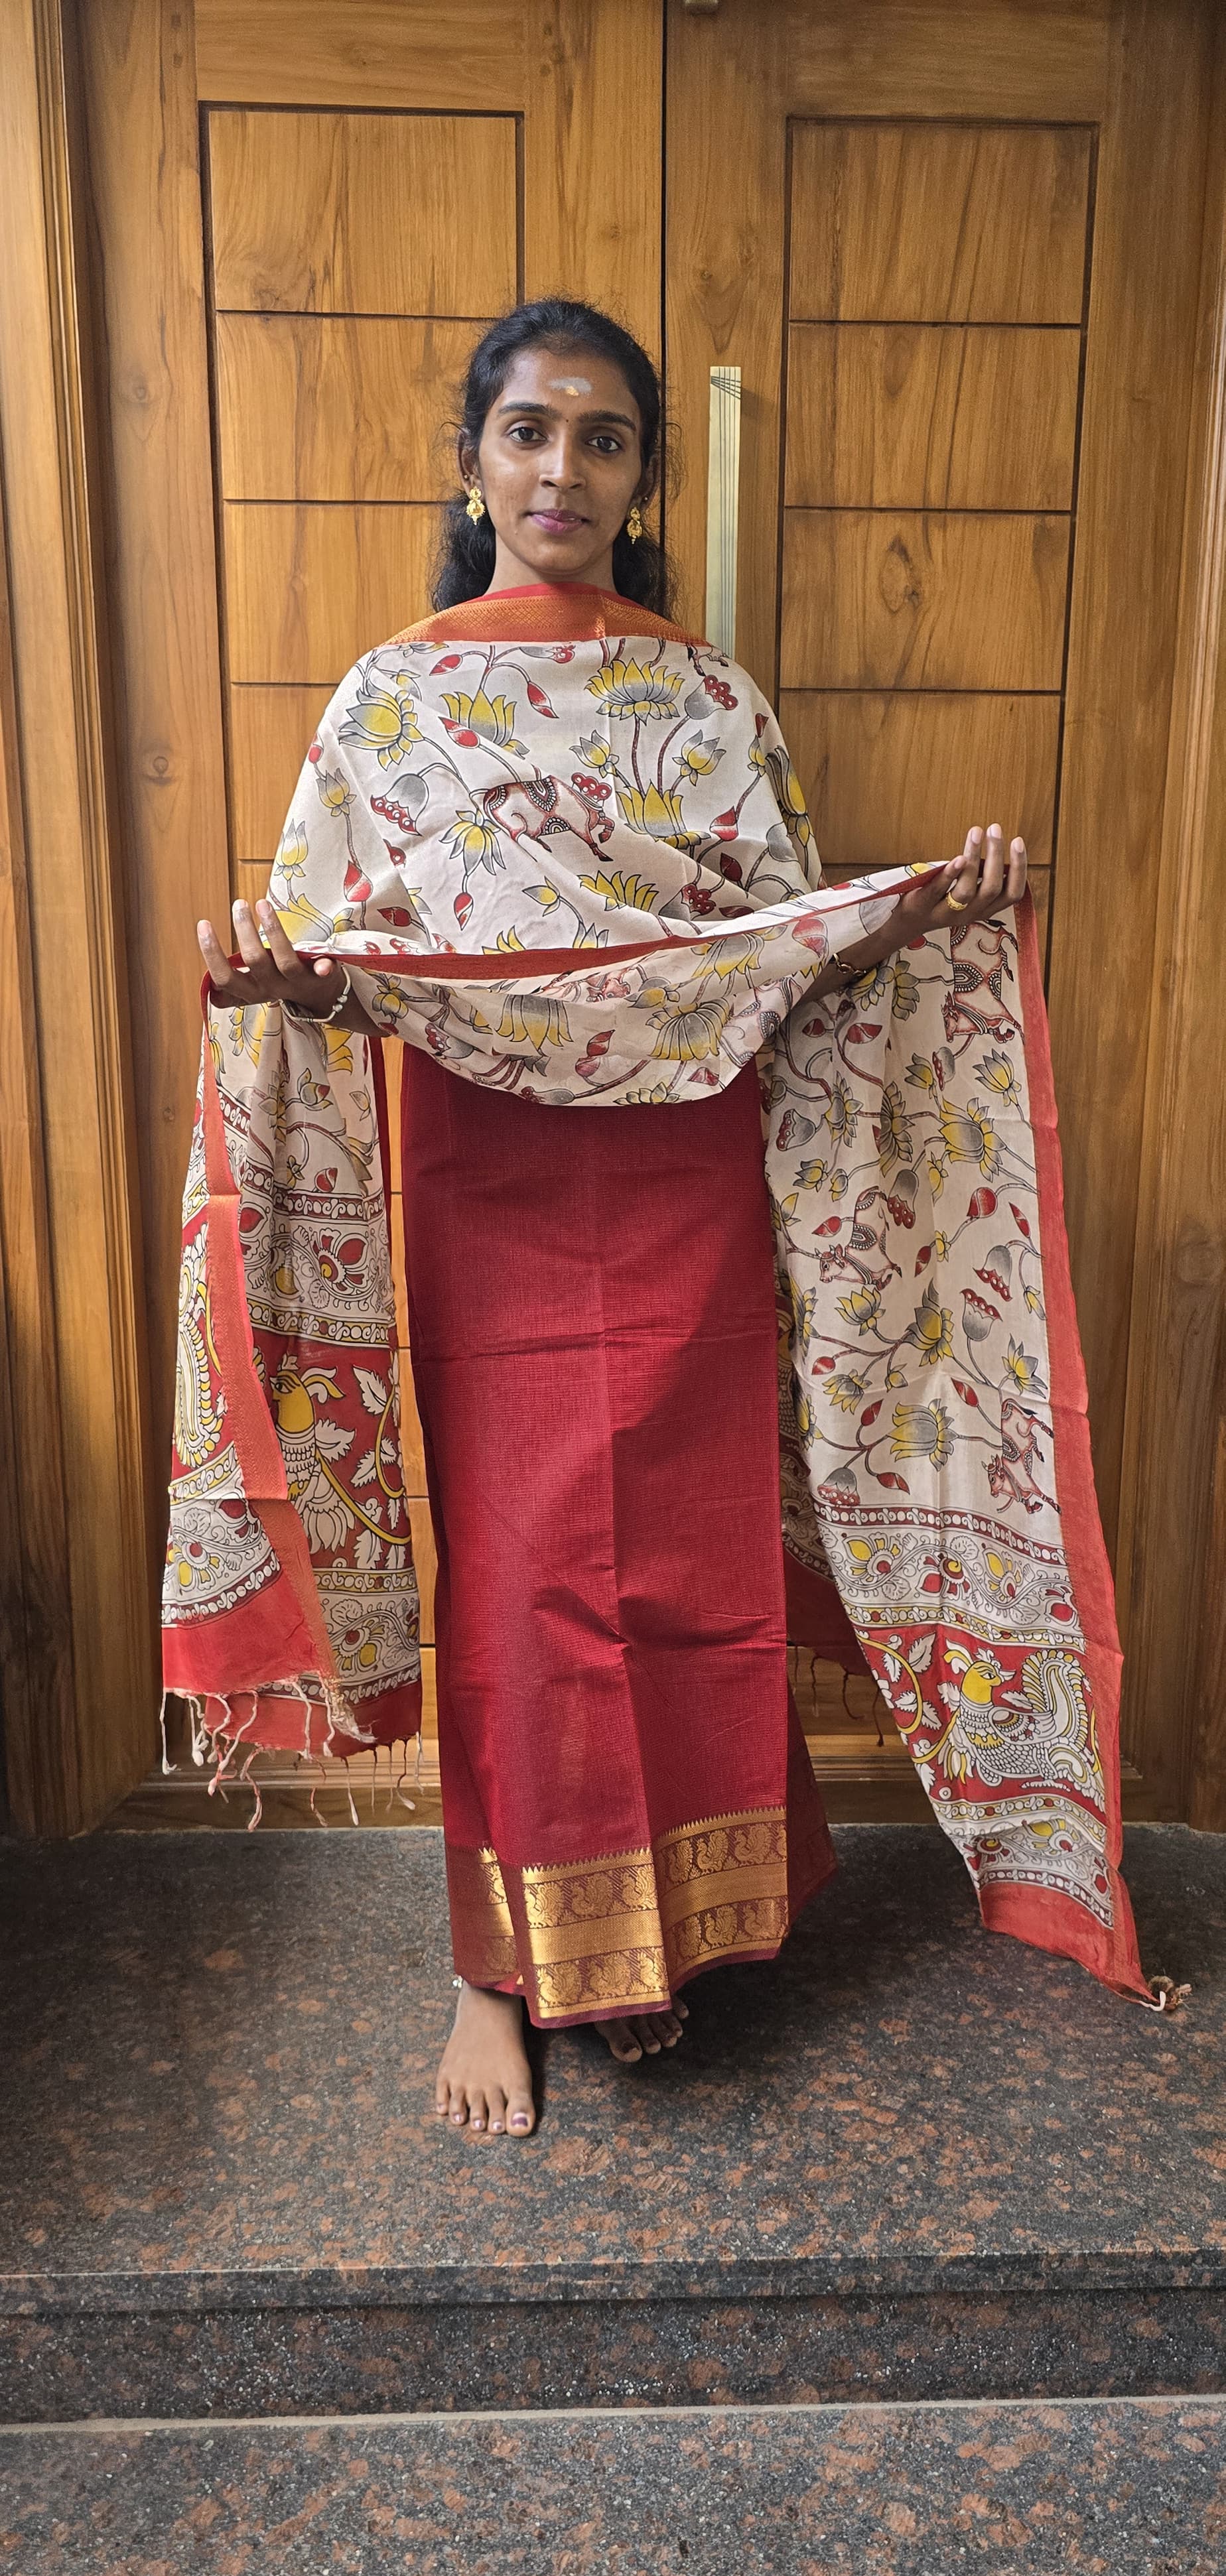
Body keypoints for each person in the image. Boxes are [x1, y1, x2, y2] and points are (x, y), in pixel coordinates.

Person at [174, 300, 1158, 2146]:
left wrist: (932, 909)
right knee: (521, 1563)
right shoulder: (390, 705)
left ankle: (653, 1944)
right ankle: (495, 1965)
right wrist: (268, 975)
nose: (563, 468)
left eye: (604, 438)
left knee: (686, 1561)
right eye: (530, 430)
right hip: (490, 1175)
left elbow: (775, 961)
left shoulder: (711, 707)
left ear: (642, 478)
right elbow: (336, 957)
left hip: (687, 1174)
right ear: (473, 460)